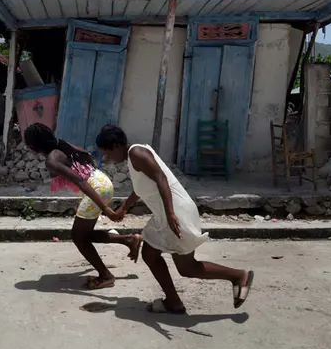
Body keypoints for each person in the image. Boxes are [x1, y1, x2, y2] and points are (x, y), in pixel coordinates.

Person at [96, 124, 253, 314]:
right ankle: (233, 278)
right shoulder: (134, 156)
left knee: (164, 259)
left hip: (175, 212)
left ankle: (179, 299)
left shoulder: (136, 152)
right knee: (181, 266)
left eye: (107, 153)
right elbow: (142, 187)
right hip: (169, 213)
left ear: (116, 146)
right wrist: (124, 208)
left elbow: (161, 178)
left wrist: (171, 214)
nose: (107, 158)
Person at [23, 123, 142, 289]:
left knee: (78, 237)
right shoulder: (62, 144)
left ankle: (106, 276)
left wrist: (107, 210)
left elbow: (80, 181)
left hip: (96, 189)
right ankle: (128, 240)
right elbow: (85, 154)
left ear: (34, 146)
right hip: (102, 181)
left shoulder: (52, 160)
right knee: (83, 234)